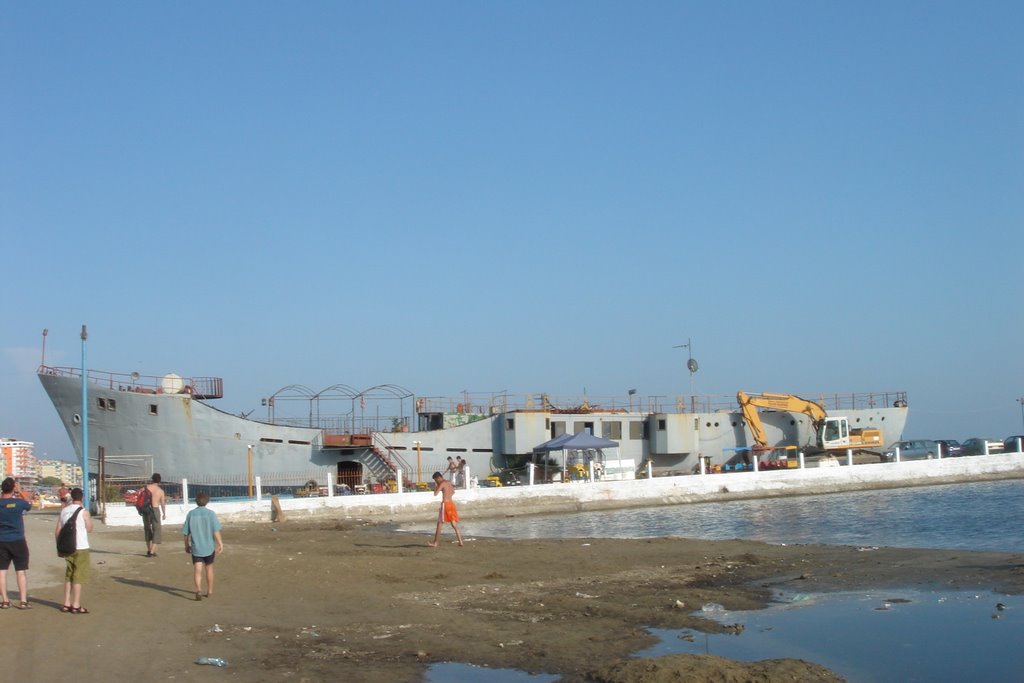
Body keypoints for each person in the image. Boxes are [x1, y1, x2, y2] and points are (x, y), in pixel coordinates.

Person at [55, 487, 92, 614]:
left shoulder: (64, 511)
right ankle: (76, 604)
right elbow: (89, 528)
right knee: (78, 577)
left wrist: (58, 546)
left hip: (67, 547)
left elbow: (57, 531)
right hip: (81, 546)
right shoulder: (83, 511)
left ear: (71, 497)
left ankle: (66, 603)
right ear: (81, 497)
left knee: (69, 575)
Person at [182, 491, 223, 601]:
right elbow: (216, 531)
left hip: (196, 548)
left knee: (197, 570)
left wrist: (186, 545)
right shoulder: (210, 514)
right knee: (209, 568)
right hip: (209, 547)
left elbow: (186, 532)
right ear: (207, 501)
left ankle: (198, 590)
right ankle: (209, 591)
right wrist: (220, 543)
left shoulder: (191, 514)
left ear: (196, 501)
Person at [0, 477, 33, 609]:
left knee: (2, 571)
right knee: (20, 571)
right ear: (13, 488)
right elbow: (29, 504)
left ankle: (5, 600)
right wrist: (20, 491)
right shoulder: (18, 503)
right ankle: (23, 601)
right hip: (18, 540)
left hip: (2, 540)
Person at [427, 471, 464, 548]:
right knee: (454, 524)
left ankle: (435, 543)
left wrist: (436, 486)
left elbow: (435, 494)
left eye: (435, 480)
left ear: (439, 477)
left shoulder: (442, 483)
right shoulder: (449, 483)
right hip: (451, 504)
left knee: (439, 523)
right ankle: (460, 541)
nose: (436, 481)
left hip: (445, 504)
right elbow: (453, 492)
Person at [143, 473, 167, 557]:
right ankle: (152, 551)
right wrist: (164, 513)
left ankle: (149, 549)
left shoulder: (146, 488)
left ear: (152, 479)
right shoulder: (160, 491)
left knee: (147, 529)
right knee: (157, 530)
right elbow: (163, 503)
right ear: (159, 480)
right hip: (155, 509)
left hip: (146, 510)